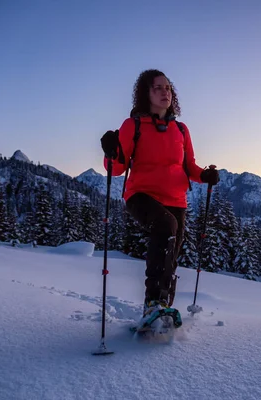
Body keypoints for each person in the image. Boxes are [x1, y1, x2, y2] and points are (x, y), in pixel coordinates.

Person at [100, 69, 219, 321]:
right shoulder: (132, 125)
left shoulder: (181, 130)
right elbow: (118, 167)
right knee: (166, 226)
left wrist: (205, 175)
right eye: (157, 88)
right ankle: (153, 304)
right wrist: (111, 151)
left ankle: (161, 311)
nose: (164, 92)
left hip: (176, 200)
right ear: (146, 93)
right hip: (141, 195)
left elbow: (190, 167)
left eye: (167, 88)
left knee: (171, 256)